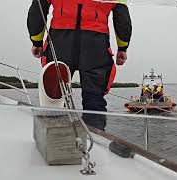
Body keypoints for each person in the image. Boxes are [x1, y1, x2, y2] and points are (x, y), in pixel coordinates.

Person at [27, 0, 132, 131]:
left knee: (55, 96)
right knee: (94, 98)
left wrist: (36, 41)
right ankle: (94, 137)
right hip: (95, 44)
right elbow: (122, 17)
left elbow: (38, 10)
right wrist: (122, 47)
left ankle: (56, 136)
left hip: (60, 41)